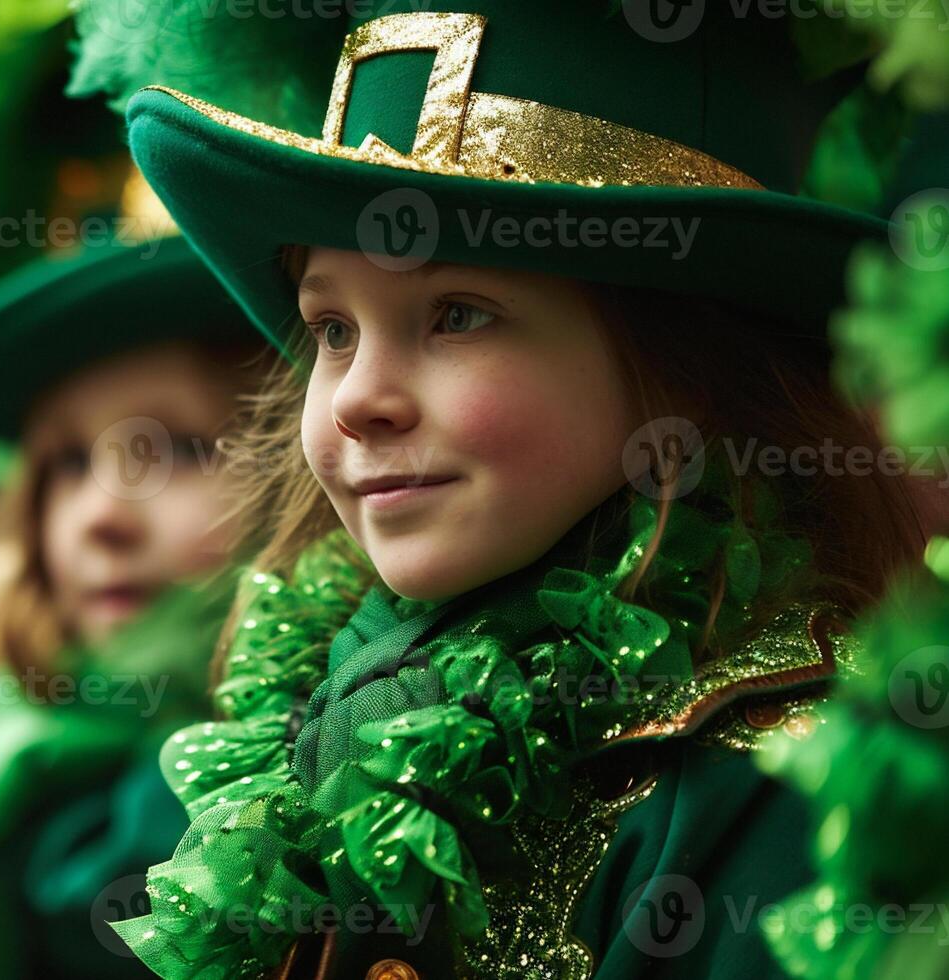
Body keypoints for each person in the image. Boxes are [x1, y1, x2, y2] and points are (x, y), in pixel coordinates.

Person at [67, 2, 929, 977]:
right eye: (333, 329)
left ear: (684, 363)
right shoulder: (314, 720)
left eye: (457, 314)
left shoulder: (776, 788)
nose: (358, 399)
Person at [0, 234, 267, 980]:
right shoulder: (12, 768)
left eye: (179, 449)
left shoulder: (338, 770)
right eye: (69, 461)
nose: (99, 515)